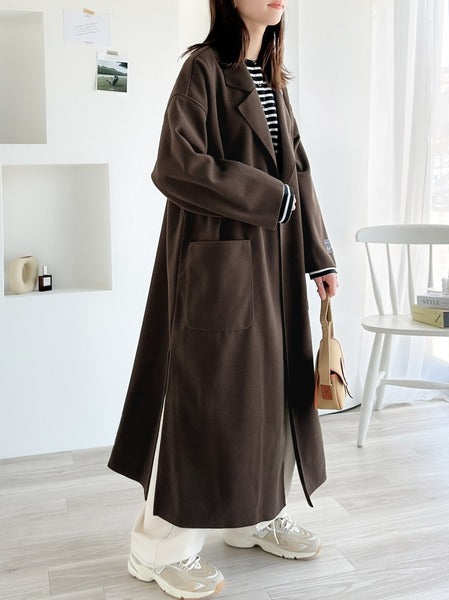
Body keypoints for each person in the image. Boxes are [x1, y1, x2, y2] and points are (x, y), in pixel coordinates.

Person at [107, 1, 339, 598]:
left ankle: (253, 516)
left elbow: (298, 171)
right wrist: (267, 199)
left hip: (273, 264)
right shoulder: (204, 69)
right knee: (204, 400)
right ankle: (157, 548)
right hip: (217, 264)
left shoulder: (273, 77)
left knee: (267, 395)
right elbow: (175, 164)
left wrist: (318, 254)